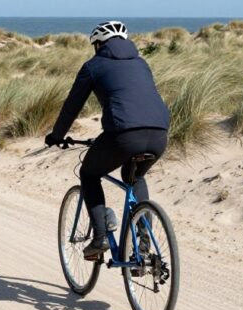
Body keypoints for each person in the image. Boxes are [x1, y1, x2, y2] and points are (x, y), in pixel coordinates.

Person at [44, 21, 170, 260]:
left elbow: (72, 106)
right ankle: (143, 246)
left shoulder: (94, 66)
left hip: (123, 136)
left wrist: (57, 136)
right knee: (136, 177)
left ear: (99, 43)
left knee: (89, 174)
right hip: (160, 134)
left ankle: (100, 238)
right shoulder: (142, 63)